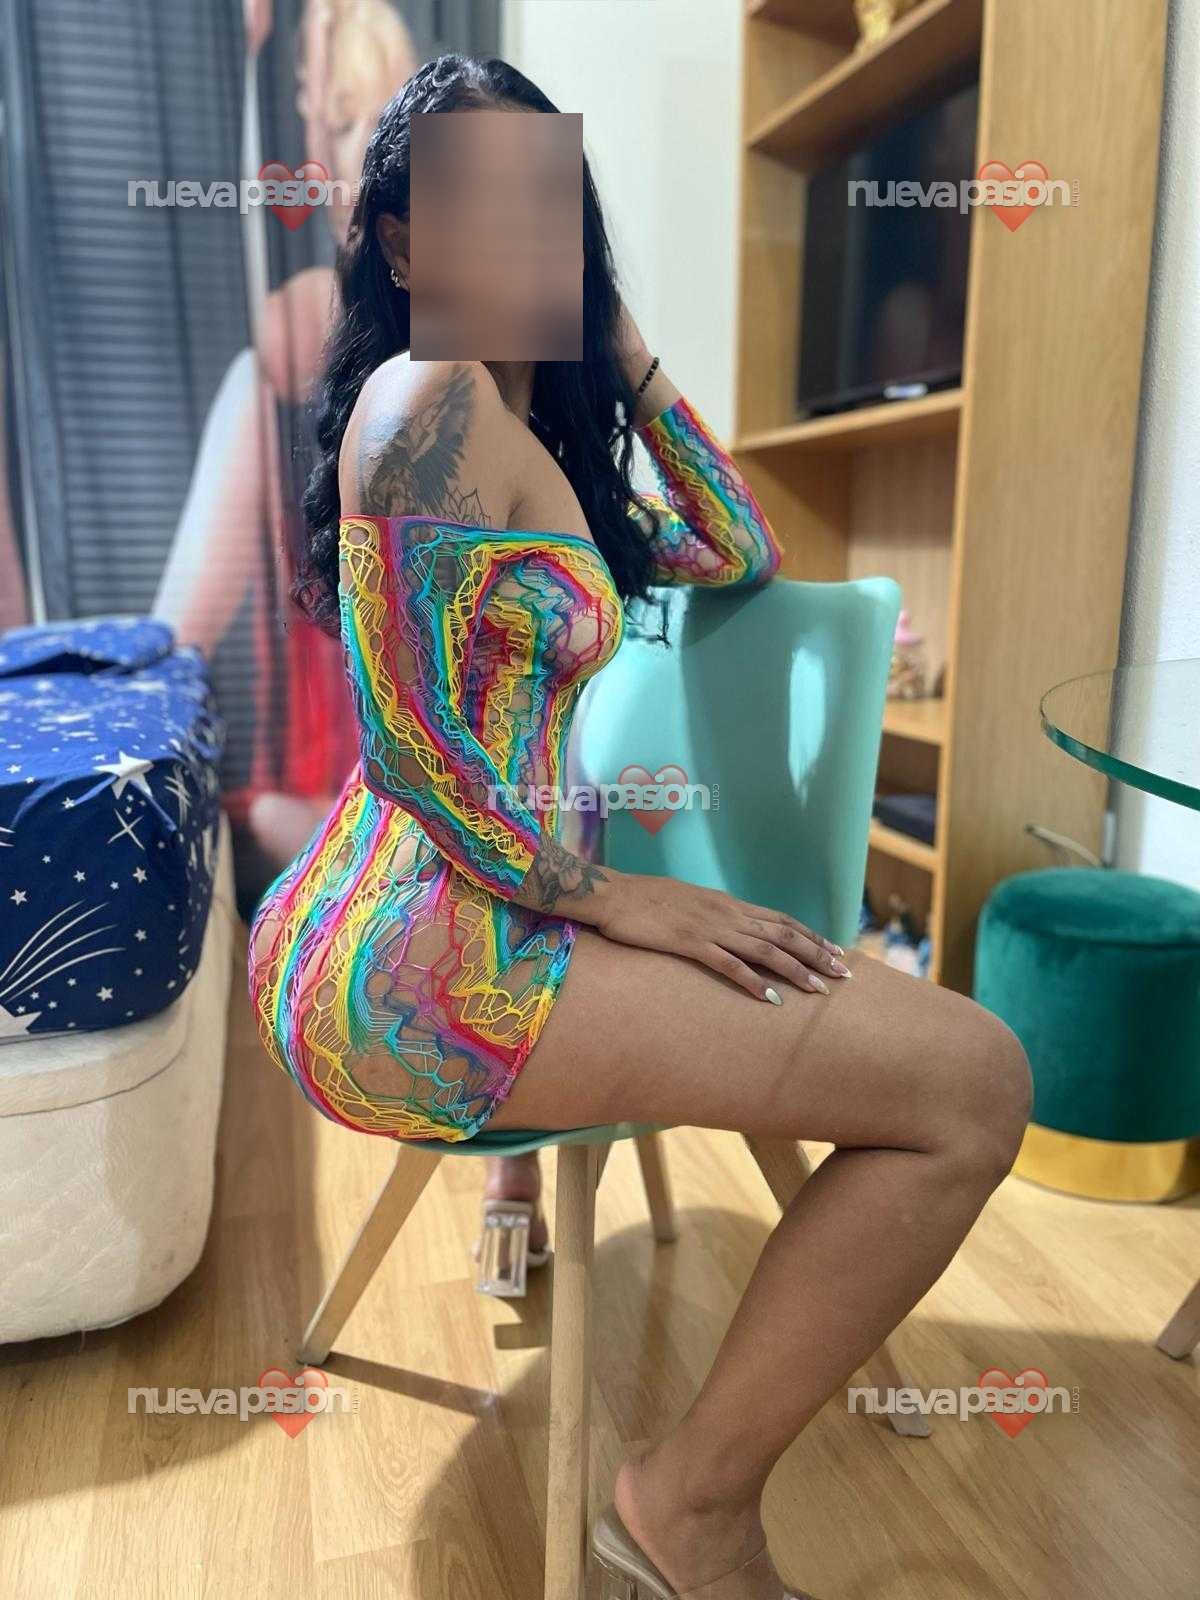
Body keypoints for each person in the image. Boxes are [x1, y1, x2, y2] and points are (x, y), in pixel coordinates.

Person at [248, 54, 1032, 1600]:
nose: (524, 232)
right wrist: (618, 899)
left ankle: (672, 1473)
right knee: (978, 1086)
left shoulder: (527, 426)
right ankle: (689, 1508)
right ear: (403, 241)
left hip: (479, 920)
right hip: (416, 954)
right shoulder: (423, 400)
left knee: (966, 1079)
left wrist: (622, 348)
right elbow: (408, 748)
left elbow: (739, 546)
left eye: (549, 198)